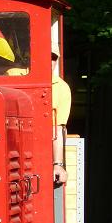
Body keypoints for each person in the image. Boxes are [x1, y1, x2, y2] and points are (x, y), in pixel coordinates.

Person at [51, 42, 71, 184]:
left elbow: (58, 128)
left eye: (53, 57)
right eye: (44, 56)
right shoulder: (15, 74)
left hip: (43, 149)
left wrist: (58, 164)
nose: (49, 61)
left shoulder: (62, 88)